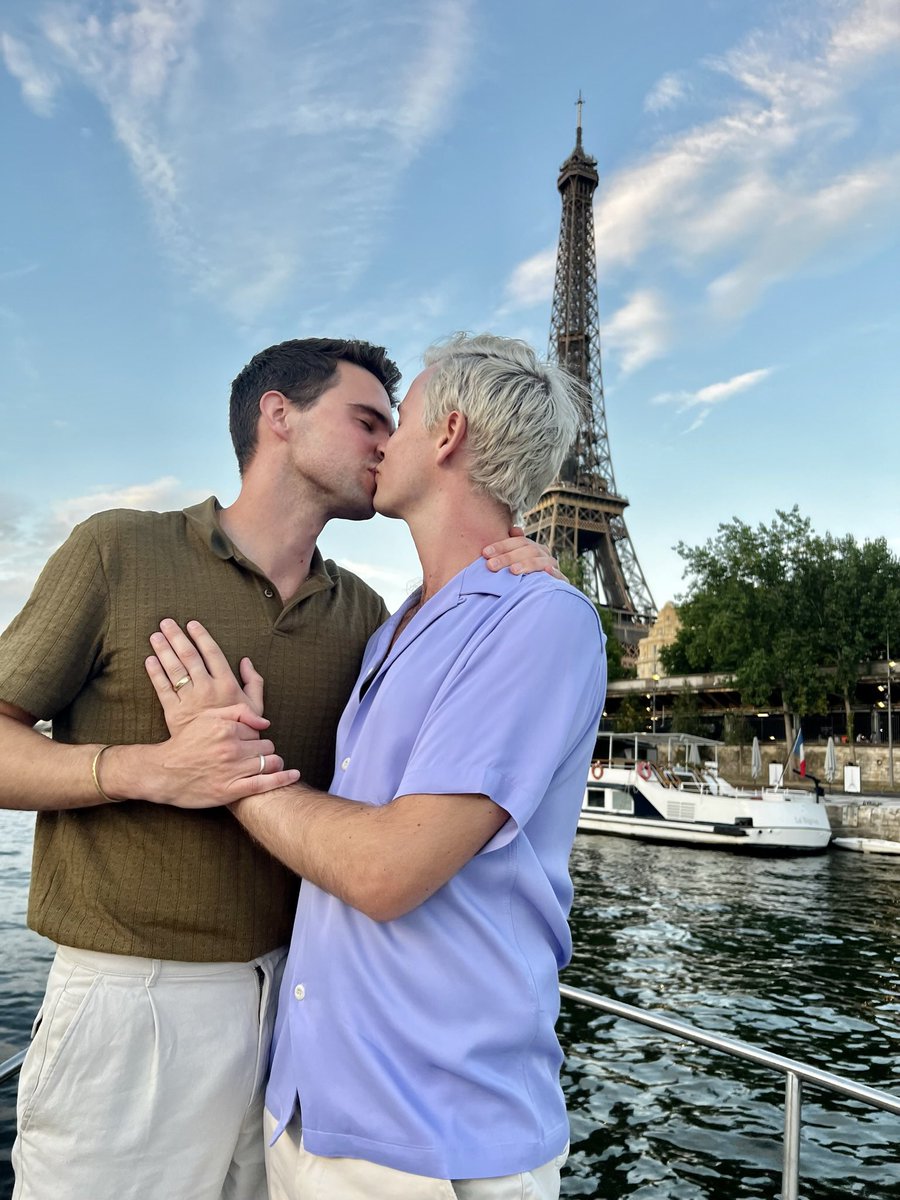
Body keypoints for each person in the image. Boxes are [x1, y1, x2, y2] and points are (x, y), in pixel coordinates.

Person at [0, 336, 556, 1200]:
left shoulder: (372, 617)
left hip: (306, 1029)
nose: (386, 443)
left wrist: (518, 563)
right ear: (279, 416)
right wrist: (148, 769)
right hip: (134, 1006)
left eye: (395, 424)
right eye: (367, 420)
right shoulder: (118, 550)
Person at [148, 333, 607, 1200]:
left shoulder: (538, 620)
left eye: (401, 420)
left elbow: (387, 869)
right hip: (313, 1110)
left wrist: (226, 762)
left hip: (432, 1140)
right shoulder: (393, 626)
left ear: (449, 435)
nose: (383, 441)